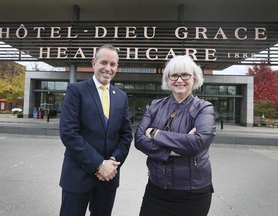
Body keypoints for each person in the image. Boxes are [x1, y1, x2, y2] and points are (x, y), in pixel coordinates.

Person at [135, 55, 216, 216]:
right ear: (168, 79)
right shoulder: (155, 106)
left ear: (194, 78)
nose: (179, 80)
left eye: (185, 74)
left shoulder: (204, 108)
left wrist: (154, 133)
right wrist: (169, 151)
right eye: (174, 75)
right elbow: (139, 139)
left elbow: (197, 143)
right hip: (156, 190)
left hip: (192, 194)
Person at [59, 44, 133, 216]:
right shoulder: (76, 91)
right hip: (78, 176)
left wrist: (112, 162)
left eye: (113, 64)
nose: (108, 68)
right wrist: (99, 165)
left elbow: (126, 136)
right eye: (104, 62)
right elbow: (69, 133)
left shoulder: (121, 96)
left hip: (109, 178)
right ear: (94, 63)